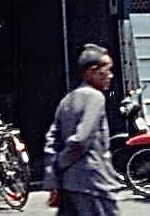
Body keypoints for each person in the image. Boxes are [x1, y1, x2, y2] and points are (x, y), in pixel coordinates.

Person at [43, 44, 119, 216]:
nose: (111, 75)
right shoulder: (95, 97)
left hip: (69, 185)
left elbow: (51, 141)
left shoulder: (67, 100)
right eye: (107, 70)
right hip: (93, 182)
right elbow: (82, 139)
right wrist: (61, 163)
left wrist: (54, 175)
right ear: (92, 71)